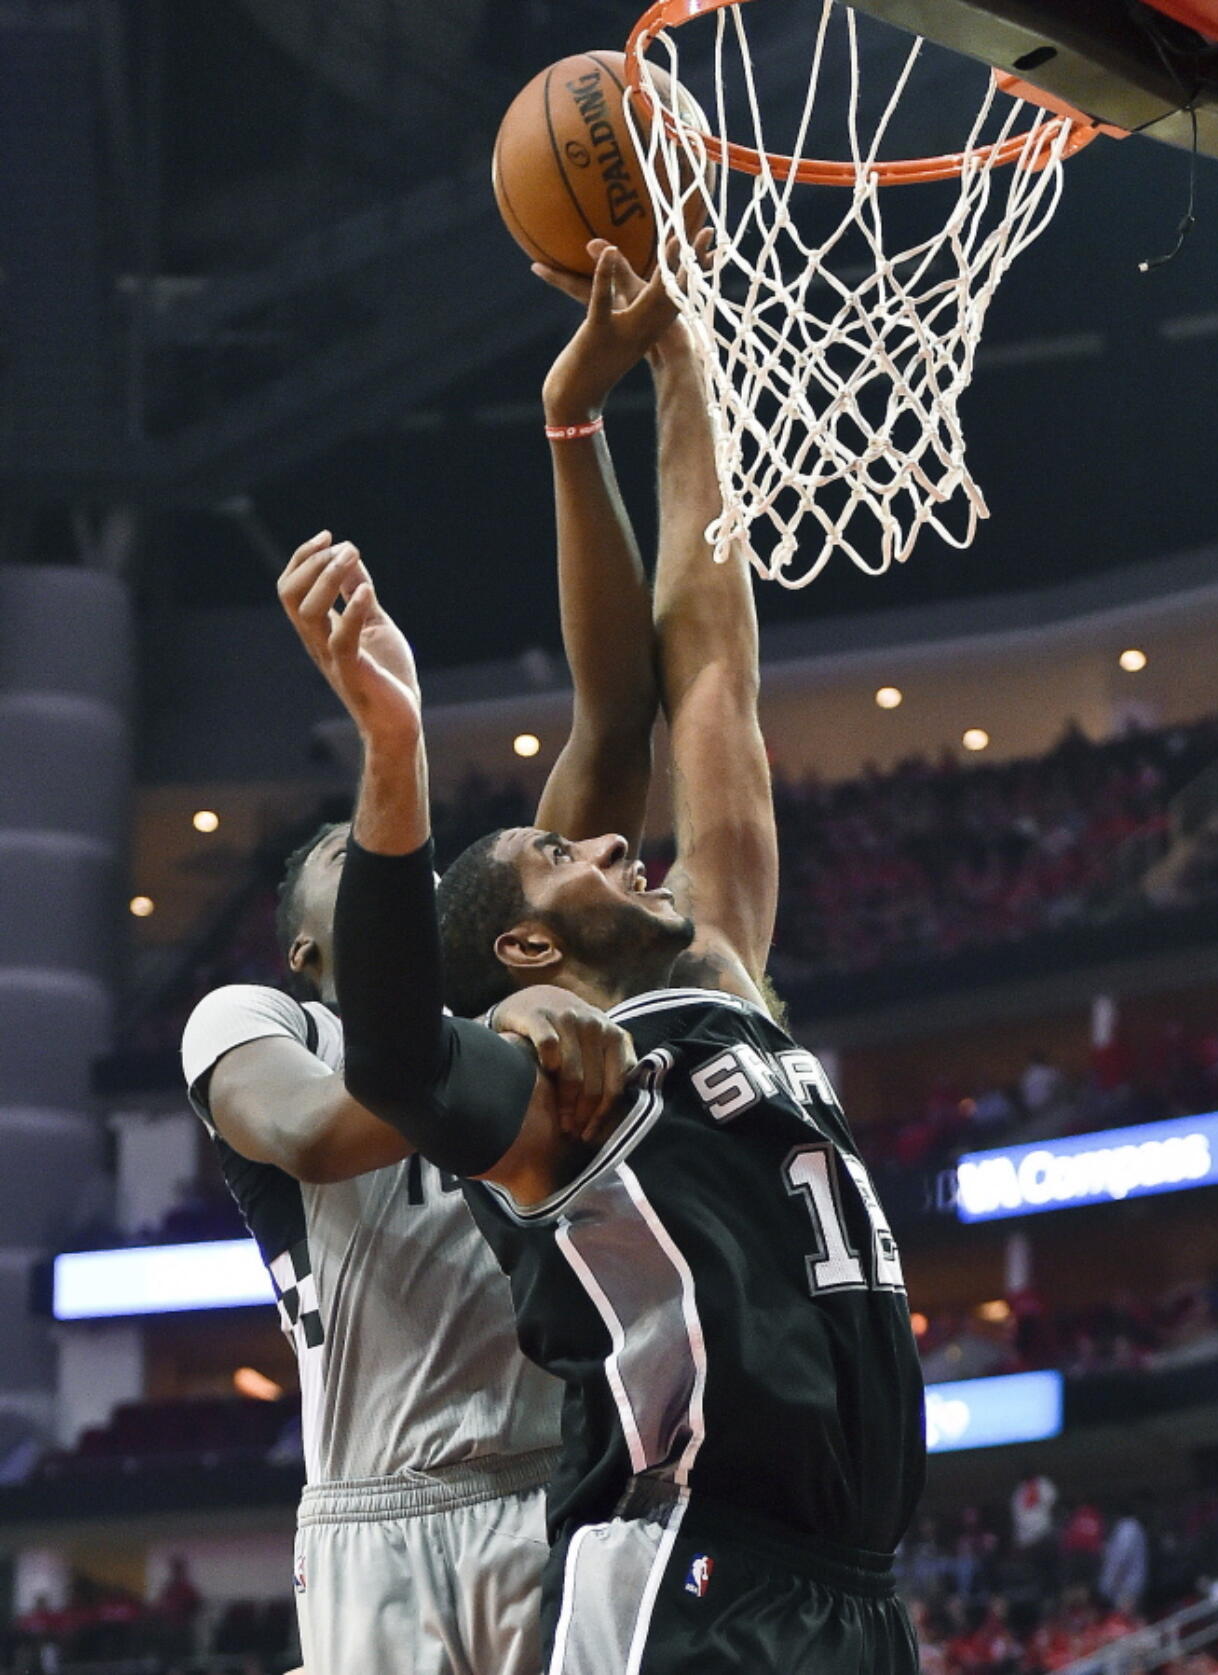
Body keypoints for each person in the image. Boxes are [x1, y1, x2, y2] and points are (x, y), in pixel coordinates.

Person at [284, 240, 926, 1673]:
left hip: (853, 1584)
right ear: (521, 945)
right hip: (680, 1575)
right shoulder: (550, 1094)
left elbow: (707, 662)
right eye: (566, 854)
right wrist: (394, 757)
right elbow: (390, 1054)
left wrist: (675, 368)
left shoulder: (724, 979)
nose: (617, 844)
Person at [180, 244, 685, 1675]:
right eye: (351, 853)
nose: (382, 850)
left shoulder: (488, 971)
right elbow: (321, 1129)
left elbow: (616, 721)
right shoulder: (258, 1020)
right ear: (300, 942)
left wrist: (575, 419)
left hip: (552, 1484)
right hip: (373, 1519)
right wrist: (505, 1011)